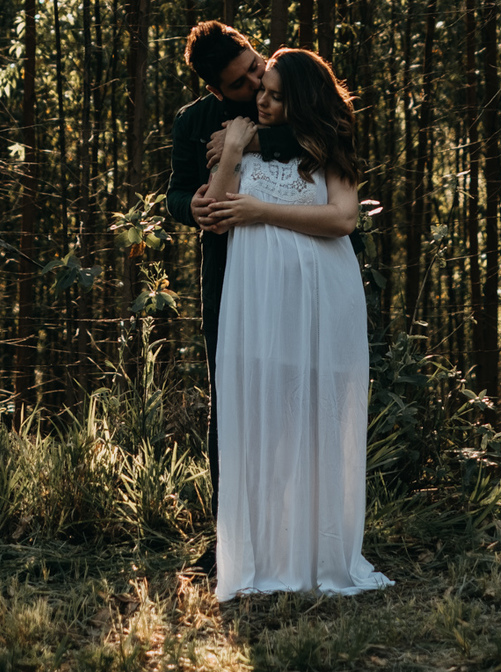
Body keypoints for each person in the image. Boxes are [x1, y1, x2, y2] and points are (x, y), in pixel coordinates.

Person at [205, 47, 392, 602]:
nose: (262, 99)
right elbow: (216, 215)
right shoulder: (240, 145)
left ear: (301, 100)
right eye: (261, 90)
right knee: (266, 423)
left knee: (318, 425)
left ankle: (319, 556)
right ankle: (265, 555)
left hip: (323, 301)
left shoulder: (326, 148)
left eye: (276, 94)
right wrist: (233, 151)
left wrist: (261, 211)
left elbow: (342, 218)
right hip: (259, 308)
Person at [166, 22, 302, 525]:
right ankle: (230, 532)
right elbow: (176, 192)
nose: (257, 78)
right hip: (227, 272)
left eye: (254, 62)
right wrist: (191, 209)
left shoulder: (290, 89)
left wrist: (256, 141)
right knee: (231, 392)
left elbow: (330, 134)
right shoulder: (193, 122)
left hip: (296, 263)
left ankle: (293, 523)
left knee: (296, 384)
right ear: (216, 90)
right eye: (241, 82)